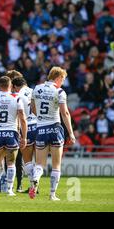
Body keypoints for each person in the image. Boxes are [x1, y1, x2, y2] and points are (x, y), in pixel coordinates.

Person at [29, 67, 76, 201]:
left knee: (39, 164)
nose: (63, 82)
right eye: (63, 79)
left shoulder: (36, 88)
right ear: (58, 77)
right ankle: (52, 194)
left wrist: (42, 118)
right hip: (55, 129)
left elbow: (32, 108)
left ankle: (35, 180)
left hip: (41, 130)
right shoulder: (60, 91)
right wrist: (71, 133)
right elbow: (65, 113)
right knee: (56, 165)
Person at [0, 76, 27, 197]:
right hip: (11, 133)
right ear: (10, 85)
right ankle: (9, 189)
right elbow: (22, 118)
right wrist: (24, 137)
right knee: (11, 163)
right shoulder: (16, 98)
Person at [12, 76, 37, 193]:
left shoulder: (17, 95)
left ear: (15, 87)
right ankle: (35, 186)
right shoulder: (35, 91)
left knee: (27, 161)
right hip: (39, 126)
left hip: (27, 127)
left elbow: (20, 116)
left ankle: (33, 186)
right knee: (38, 160)